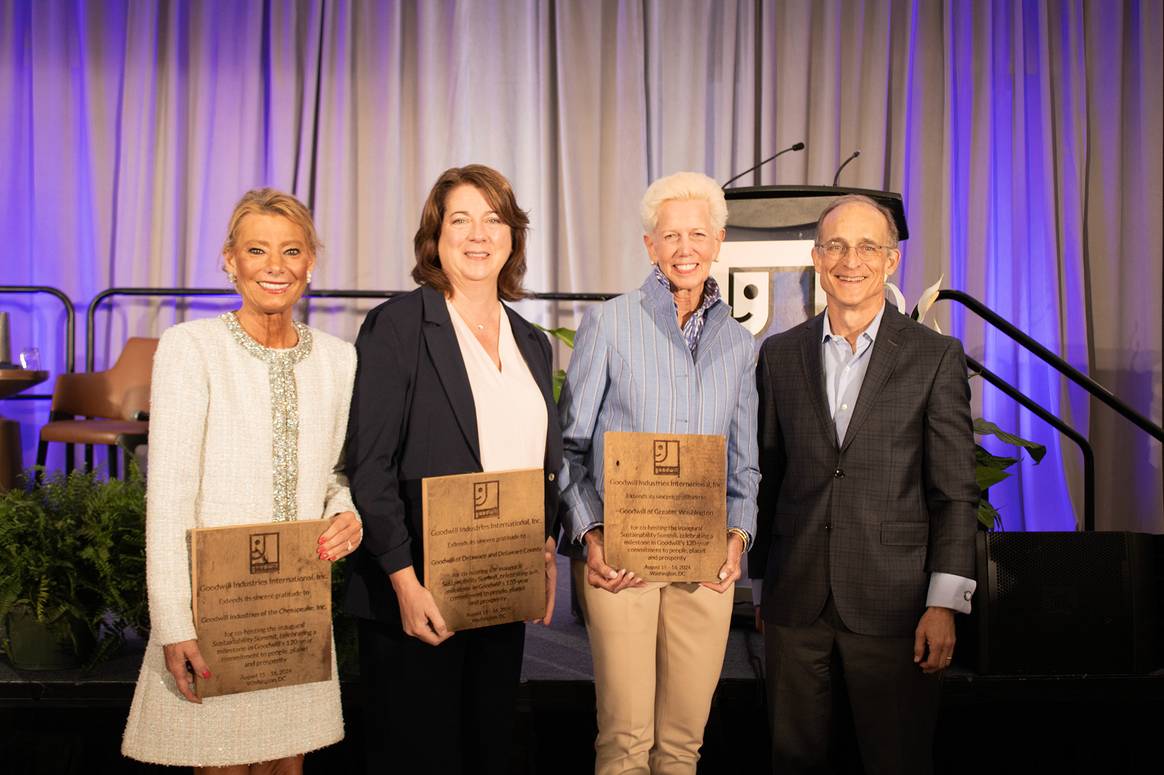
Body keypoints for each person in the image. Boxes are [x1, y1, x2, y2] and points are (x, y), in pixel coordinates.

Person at [122, 188, 364, 773]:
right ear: (230, 260)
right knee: (222, 762)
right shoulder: (191, 349)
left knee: (287, 764)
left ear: (312, 261)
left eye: (291, 250)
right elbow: (169, 498)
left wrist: (347, 511)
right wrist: (174, 625)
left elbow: (336, 472)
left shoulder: (339, 359)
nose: (275, 266)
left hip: (295, 610)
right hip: (214, 613)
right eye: (257, 250)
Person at [343, 164, 562, 775]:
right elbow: (371, 466)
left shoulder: (532, 342)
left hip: (499, 588)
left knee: (489, 750)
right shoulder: (399, 325)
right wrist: (405, 583)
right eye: (459, 220)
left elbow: (540, 460)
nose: (478, 235)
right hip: (416, 596)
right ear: (434, 238)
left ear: (513, 237)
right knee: (420, 756)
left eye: (493, 220)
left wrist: (544, 545)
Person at [749, 194, 979, 775]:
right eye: (836, 246)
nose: (851, 260)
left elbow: (953, 493)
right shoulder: (779, 356)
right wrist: (762, 587)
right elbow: (769, 478)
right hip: (794, 603)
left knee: (895, 760)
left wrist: (943, 604)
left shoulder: (935, 357)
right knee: (790, 760)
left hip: (896, 605)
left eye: (867, 247)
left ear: (891, 261)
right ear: (817, 258)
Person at [557, 171, 760, 774]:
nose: (684, 248)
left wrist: (738, 536)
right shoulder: (611, 323)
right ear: (650, 246)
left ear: (719, 241)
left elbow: (744, 464)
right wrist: (592, 536)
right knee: (625, 740)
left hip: (706, 568)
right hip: (622, 565)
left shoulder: (739, 345)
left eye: (697, 233)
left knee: (682, 745)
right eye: (670, 235)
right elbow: (570, 448)